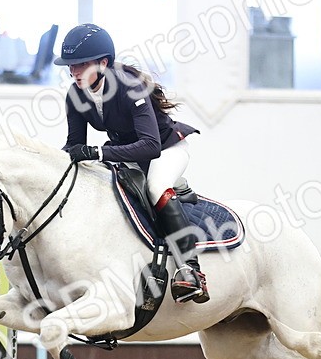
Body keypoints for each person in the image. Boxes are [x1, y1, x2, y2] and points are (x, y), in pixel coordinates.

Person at [57, 23, 208, 304]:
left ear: (103, 63)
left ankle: (191, 270)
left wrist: (99, 153)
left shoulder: (129, 87)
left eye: (81, 65)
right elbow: (74, 144)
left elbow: (150, 146)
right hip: (125, 150)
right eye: (71, 66)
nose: (73, 72)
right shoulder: (75, 94)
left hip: (166, 148)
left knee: (155, 187)